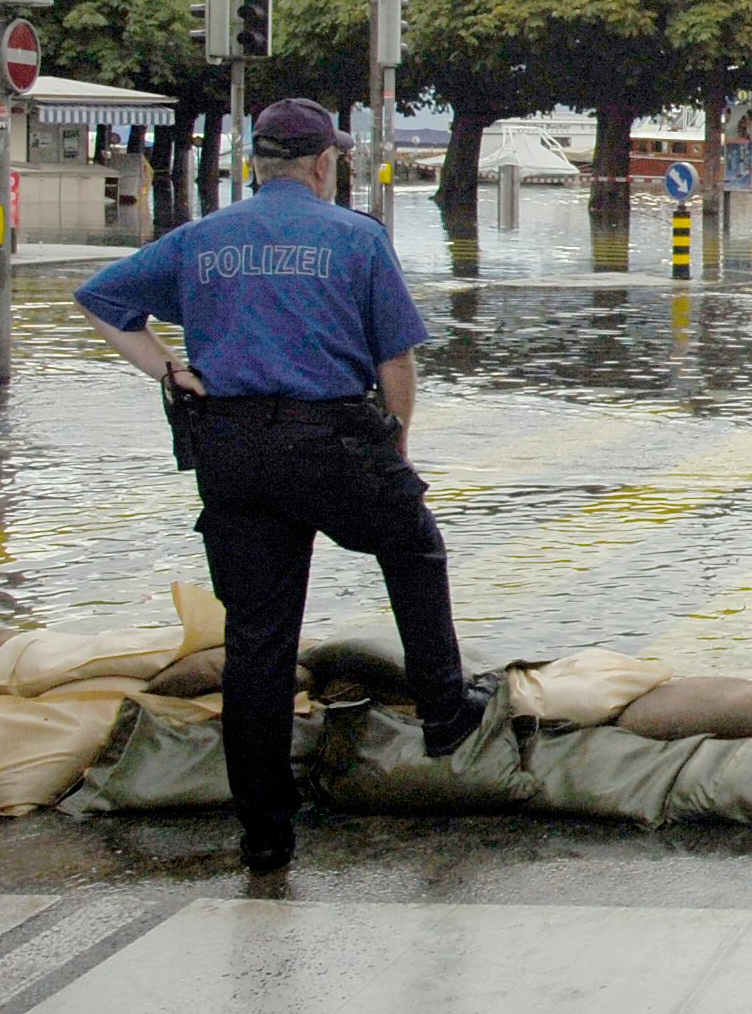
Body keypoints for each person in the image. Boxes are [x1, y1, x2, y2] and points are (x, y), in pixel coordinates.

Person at [74, 98, 489, 874]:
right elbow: (396, 361)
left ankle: (265, 835)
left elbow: (101, 299)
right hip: (330, 440)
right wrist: (395, 453)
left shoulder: (202, 238)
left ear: (257, 164)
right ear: (325, 163)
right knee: (412, 543)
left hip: (231, 448)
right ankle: (445, 710)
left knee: (258, 639)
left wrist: (170, 370)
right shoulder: (356, 237)